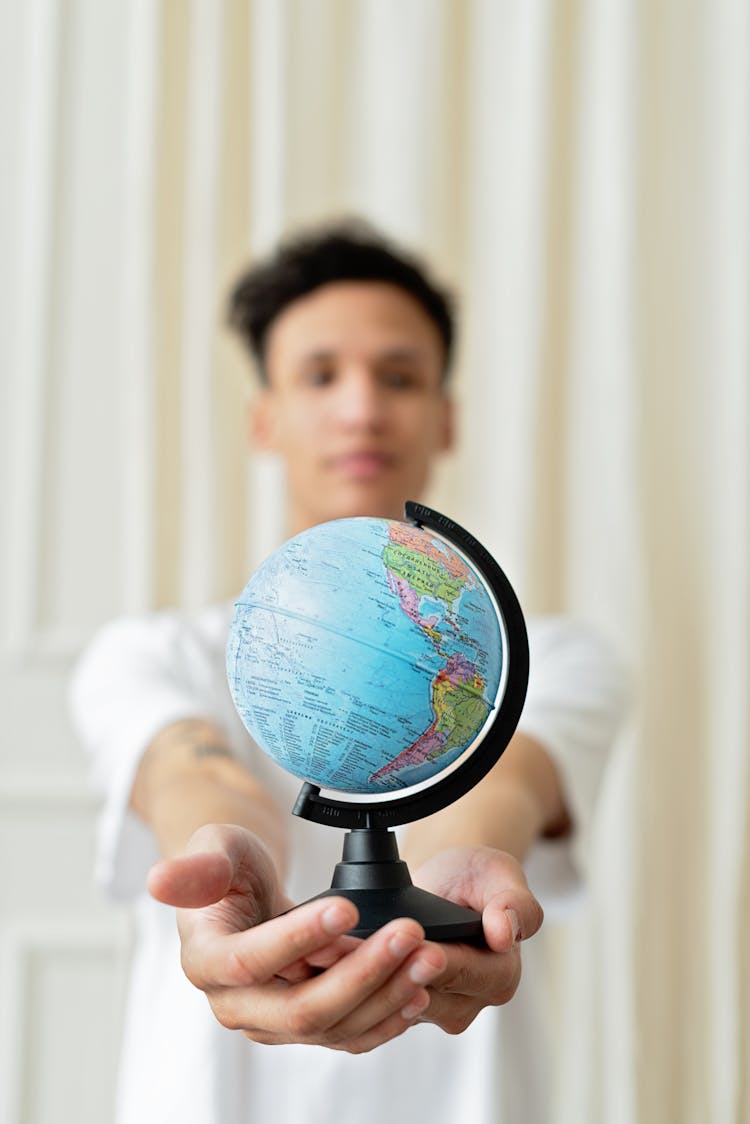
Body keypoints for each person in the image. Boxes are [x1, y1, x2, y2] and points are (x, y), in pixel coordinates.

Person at [70, 222, 628, 1124]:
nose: (362, 409)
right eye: (321, 375)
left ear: (447, 419)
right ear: (265, 417)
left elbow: (504, 781)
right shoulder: (147, 655)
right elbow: (193, 770)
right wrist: (222, 853)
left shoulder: (558, 658)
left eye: (399, 376)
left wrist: (455, 871)